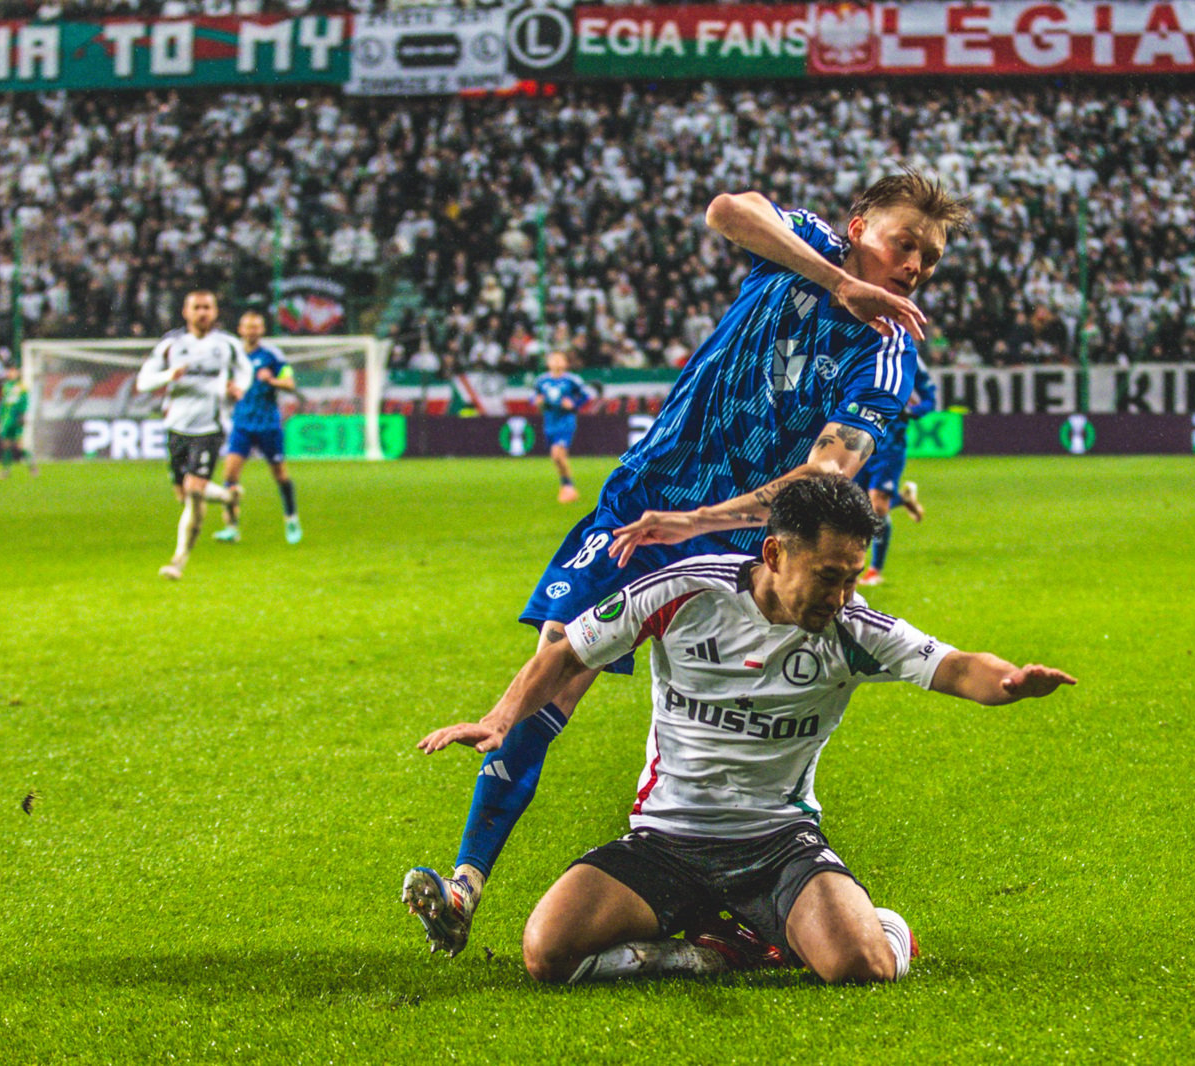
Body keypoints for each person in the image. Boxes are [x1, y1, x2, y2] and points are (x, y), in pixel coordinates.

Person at [401, 170, 970, 958]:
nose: (913, 266)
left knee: (730, 709)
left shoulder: (887, 354)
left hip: (736, 533)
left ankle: (750, 884)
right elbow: (728, 211)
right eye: (904, 243)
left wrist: (698, 520)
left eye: (929, 261)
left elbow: (823, 477)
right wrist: (840, 281)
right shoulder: (806, 245)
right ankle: (466, 885)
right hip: (645, 494)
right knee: (556, 662)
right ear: (859, 222)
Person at [415, 475, 1076, 983]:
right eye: (827, 577)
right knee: (546, 954)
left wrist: (1009, 682)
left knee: (861, 967)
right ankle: (705, 951)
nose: (841, 595)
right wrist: (500, 719)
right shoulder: (684, 594)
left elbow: (955, 666)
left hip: (778, 846)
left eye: (851, 578)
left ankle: (882, 927)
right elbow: (564, 651)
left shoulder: (852, 633)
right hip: (663, 843)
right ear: (774, 552)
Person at [135, 291, 251, 580]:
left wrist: (239, 388)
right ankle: (227, 497)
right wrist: (168, 376)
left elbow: (245, 370)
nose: (202, 312)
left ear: (215, 311)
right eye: (196, 307)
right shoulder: (171, 345)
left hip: (210, 427)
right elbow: (143, 381)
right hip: (177, 426)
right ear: (185, 312)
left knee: (195, 490)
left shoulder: (227, 344)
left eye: (207, 307)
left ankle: (178, 560)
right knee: (183, 494)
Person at [213, 311, 302, 545]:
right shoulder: (233, 356)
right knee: (230, 475)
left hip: (268, 424)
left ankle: (291, 518)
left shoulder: (272, 355)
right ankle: (231, 527)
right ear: (240, 330)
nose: (252, 331)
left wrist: (272, 380)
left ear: (262, 330)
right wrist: (228, 389)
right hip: (242, 423)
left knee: (280, 475)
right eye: (247, 327)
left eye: (256, 327)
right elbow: (222, 386)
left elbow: (291, 384)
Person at [856, 364, 937, 586]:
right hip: (856, 442)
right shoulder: (858, 344)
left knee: (878, 507)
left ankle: (874, 569)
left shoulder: (909, 359)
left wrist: (910, 411)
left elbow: (930, 399)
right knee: (855, 505)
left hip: (890, 446)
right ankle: (902, 499)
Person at [531, 350, 594, 504]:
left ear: (566, 363)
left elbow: (586, 396)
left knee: (557, 454)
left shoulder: (572, 380)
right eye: (554, 359)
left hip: (566, 421)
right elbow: (533, 397)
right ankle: (566, 487)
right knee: (557, 458)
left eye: (560, 360)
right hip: (550, 421)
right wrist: (537, 401)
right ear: (548, 363)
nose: (557, 362)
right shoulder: (541, 381)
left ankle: (569, 487)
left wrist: (574, 404)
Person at [0, 365, 37, 480]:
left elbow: (25, 403)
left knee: (19, 445)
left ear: (17, 373)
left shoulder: (22, 387)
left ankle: (32, 466)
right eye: (10, 371)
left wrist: (22, 416)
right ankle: (6, 471)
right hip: (6, 420)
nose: (11, 373)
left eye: (13, 371)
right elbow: (3, 405)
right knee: (5, 445)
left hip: (16, 420)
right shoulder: (6, 387)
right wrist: (1, 420)